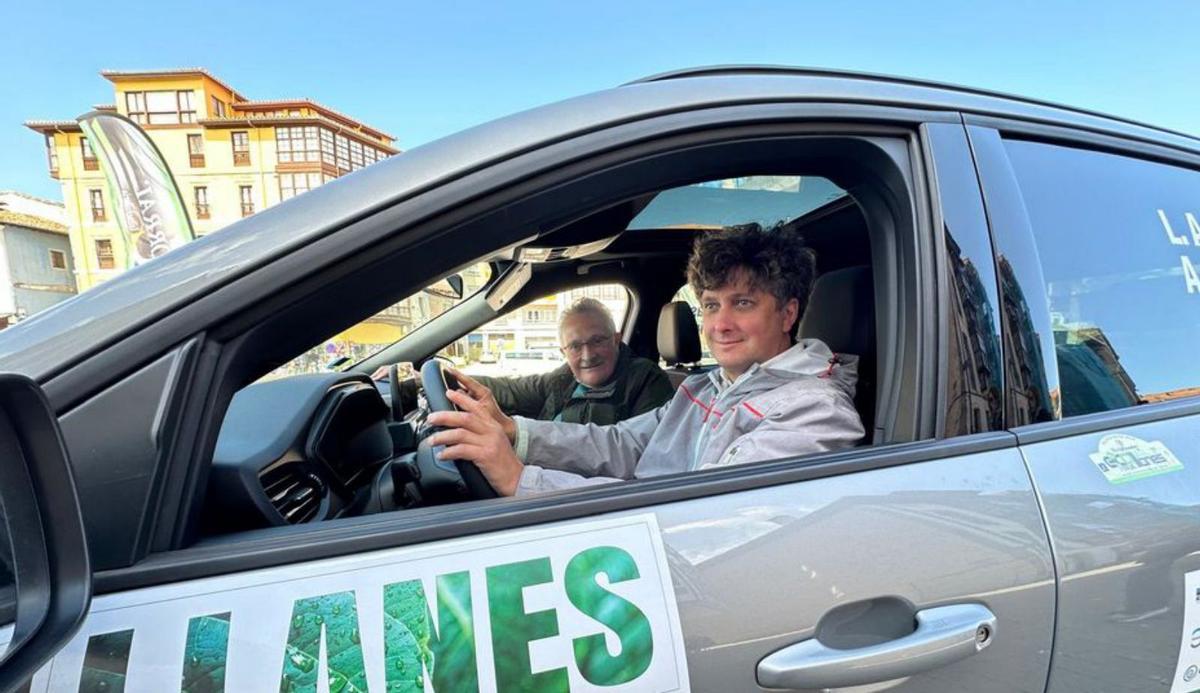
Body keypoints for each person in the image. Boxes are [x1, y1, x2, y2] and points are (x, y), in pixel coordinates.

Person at [429, 223, 865, 496]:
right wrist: (512, 430)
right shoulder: (705, 387)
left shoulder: (813, 412)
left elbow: (701, 515)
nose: (720, 325)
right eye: (711, 305)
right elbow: (626, 444)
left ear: (788, 312)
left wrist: (521, 480)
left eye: (744, 303)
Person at [470, 297, 673, 425]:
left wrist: (524, 438)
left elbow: (630, 451)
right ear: (563, 352)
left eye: (597, 340)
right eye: (575, 346)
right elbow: (510, 389)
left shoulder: (646, 380)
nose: (588, 355)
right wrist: (451, 379)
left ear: (616, 340)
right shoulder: (563, 379)